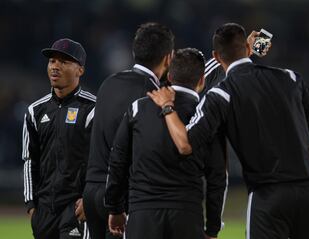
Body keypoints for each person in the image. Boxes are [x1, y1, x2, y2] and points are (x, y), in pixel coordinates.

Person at [148, 23, 309, 239]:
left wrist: (168, 107)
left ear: (216, 56)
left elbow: (186, 143)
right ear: (247, 47)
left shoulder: (221, 94)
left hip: (268, 195)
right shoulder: (291, 77)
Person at [105, 48, 227, 239]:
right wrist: (212, 228)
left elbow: (118, 160)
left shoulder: (138, 108)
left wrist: (115, 207)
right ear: (202, 80)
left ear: (169, 76)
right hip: (187, 217)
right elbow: (217, 177)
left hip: (142, 215)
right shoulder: (206, 117)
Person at [82, 22, 174, 239]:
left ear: (135, 51)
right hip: (120, 196)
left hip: (91, 191)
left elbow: (89, 133)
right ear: (168, 58)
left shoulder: (108, 84)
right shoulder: (153, 95)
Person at [22, 38, 95, 239]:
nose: (55, 66)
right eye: (52, 61)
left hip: (75, 206)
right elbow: (30, 160)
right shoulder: (35, 111)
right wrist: (31, 206)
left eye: (63, 62)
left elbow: (101, 161)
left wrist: (90, 198)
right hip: (44, 209)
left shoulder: (92, 109)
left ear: (80, 70)